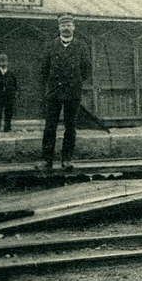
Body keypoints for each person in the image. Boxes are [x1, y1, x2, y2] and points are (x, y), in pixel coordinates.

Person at [39, 13, 94, 170]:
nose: (66, 28)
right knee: (50, 126)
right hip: (54, 92)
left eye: (69, 25)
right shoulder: (51, 46)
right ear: (59, 27)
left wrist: (75, 81)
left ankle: (66, 160)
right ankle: (47, 160)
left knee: (70, 127)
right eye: (63, 25)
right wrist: (52, 84)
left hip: (72, 91)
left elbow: (86, 69)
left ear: (74, 27)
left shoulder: (81, 46)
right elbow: (44, 69)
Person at [0, 53, 18, 132]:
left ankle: (7, 129)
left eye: (5, 61)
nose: (3, 63)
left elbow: (15, 85)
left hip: (8, 97)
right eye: (1, 61)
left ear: (7, 62)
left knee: (8, 114)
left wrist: (13, 95)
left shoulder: (11, 74)